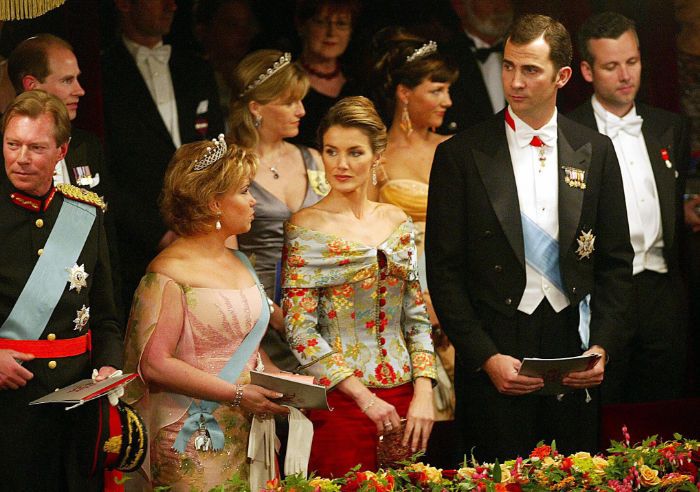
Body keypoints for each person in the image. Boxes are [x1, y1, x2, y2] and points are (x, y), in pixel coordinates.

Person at [426, 14, 634, 462]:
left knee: (579, 475)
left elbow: (617, 261)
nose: (514, 82)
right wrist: (484, 356)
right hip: (496, 348)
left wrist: (603, 346)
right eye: (508, 66)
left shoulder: (595, 151)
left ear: (561, 76)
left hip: (572, 343)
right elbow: (443, 272)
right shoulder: (460, 154)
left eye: (530, 70)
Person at [122, 136, 289, 490]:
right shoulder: (168, 271)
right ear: (214, 202)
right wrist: (238, 394)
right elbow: (154, 363)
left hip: (249, 427)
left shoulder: (240, 261)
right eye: (244, 191)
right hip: (194, 433)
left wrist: (284, 383)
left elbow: (245, 343)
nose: (253, 200)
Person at [282, 96, 436, 477]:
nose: (341, 164)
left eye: (354, 152)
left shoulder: (396, 220)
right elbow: (299, 330)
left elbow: (415, 319)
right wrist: (365, 399)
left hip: (406, 400)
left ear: (376, 158)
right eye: (331, 151)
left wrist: (424, 391)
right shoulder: (306, 226)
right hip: (341, 400)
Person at [0, 90, 123, 490]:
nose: (21, 157)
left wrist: (108, 365)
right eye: (12, 144)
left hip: (77, 402)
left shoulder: (85, 213)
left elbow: (105, 314)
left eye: (35, 147)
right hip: (10, 408)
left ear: (61, 151)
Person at [568, 12, 690, 403]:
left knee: (666, 404)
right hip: (603, 292)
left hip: (662, 288)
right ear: (586, 70)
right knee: (605, 402)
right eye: (611, 66)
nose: (625, 75)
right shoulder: (568, 134)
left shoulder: (668, 126)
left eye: (632, 62)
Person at [102, 0, 224, 318]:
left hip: (204, 239)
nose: (171, 5)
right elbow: (105, 171)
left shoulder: (196, 69)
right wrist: (157, 233)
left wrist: (209, 225)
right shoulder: (101, 74)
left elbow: (218, 152)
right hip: (135, 249)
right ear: (124, 4)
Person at [369, 28, 457, 426]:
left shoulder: (452, 148)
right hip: (400, 286)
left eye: (448, 90)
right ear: (405, 92)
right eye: (437, 90)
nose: (448, 101)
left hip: (453, 274)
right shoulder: (377, 156)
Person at [7, 33, 123, 318]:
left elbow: (105, 243)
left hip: (79, 322)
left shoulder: (86, 146)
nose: (80, 90)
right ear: (31, 85)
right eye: (66, 80)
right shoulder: (9, 156)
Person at [231, 49, 326, 372]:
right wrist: (272, 313)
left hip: (321, 308)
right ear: (256, 107)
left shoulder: (315, 159)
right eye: (289, 102)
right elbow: (224, 254)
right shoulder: (232, 168)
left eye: (301, 100)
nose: (301, 111)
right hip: (258, 315)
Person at [292, 0, 361, 149]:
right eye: (321, 22)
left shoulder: (359, 82)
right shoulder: (286, 82)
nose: (331, 33)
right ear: (302, 25)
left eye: (341, 24)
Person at [439, 0, 514, 134]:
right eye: (490, 1)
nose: (501, 7)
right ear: (460, 6)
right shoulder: (442, 60)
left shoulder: (528, 54)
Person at [194, 0, 260, 127]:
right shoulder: (192, 78)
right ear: (203, 30)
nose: (244, 33)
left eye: (247, 24)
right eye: (232, 25)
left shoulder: (257, 76)